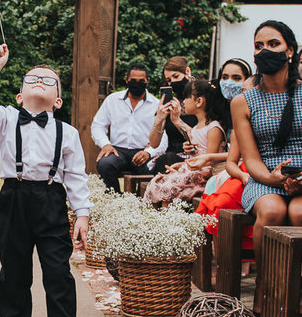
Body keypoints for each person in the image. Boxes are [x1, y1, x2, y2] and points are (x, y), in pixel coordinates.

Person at [0, 44, 93, 317]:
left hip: (51, 199)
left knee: (58, 271)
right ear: (19, 96)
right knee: (14, 269)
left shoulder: (67, 133)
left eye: (49, 81)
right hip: (15, 197)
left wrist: (82, 213)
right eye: (32, 78)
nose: (39, 81)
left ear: (58, 101)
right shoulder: (6, 120)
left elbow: (76, 175)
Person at [232, 20, 302, 312]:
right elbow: (251, 159)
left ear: (290, 51)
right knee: (272, 211)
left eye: (273, 44)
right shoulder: (242, 101)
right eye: (259, 46)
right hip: (264, 178)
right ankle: (266, 288)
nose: (265, 50)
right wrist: (271, 178)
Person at [143, 77, 228, 206]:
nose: (183, 102)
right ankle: (154, 216)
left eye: (187, 98)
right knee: (158, 182)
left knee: (169, 188)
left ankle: (165, 216)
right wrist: (182, 164)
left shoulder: (213, 128)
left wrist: (185, 167)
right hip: (193, 170)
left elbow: (209, 162)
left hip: (202, 175)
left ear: (199, 101)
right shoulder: (198, 127)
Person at [90, 62, 160, 190]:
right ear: (126, 79)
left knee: (154, 168)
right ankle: (115, 196)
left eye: (141, 81)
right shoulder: (112, 100)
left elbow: (163, 135)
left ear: (147, 81)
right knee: (105, 164)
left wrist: (149, 152)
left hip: (143, 151)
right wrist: (105, 144)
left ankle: (140, 199)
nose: (137, 83)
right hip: (118, 151)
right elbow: (97, 126)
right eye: (133, 80)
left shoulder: (156, 104)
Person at [147, 56, 197, 174]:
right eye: (169, 80)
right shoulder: (171, 103)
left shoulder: (200, 101)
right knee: (166, 159)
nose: (173, 82)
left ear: (187, 71)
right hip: (171, 154)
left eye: (176, 76)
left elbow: (200, 138)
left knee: (167, 160)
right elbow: (154, 144)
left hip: (195, 155)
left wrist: (177, 120)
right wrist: (159, 119)